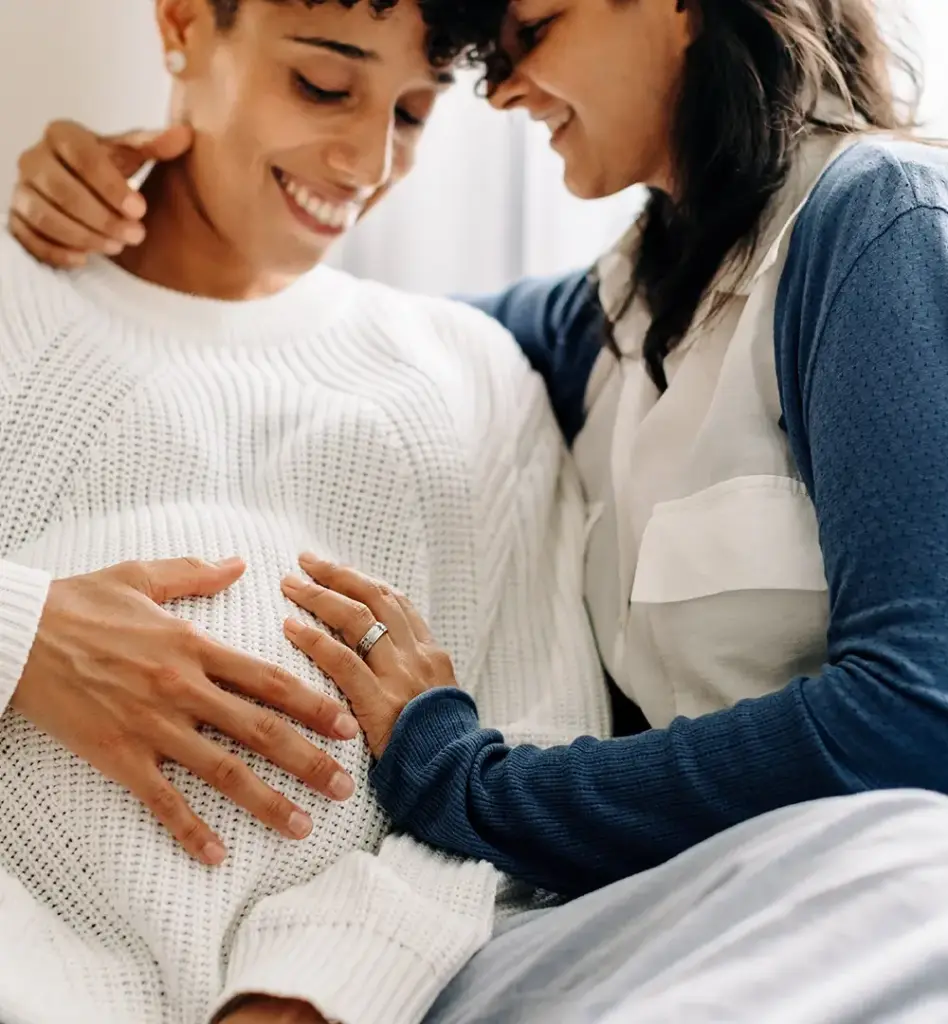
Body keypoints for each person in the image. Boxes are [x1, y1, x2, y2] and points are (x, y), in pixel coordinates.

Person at [11, 0, 948, 1021]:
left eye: (533, 32)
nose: (496, 92)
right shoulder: (604, 310)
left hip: (790, 882)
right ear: (184, 22)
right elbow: (307, 342)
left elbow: (914, 711)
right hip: (44, 959)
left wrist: (464, 790)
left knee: (919, 880)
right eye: (326, 85)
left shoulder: (870, 222)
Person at [0, 1, 611, 1023]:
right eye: (325, 86)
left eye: (412, 116)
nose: (367, 161)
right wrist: (25, 636)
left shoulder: (471, 378)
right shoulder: (18, 308)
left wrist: (316, 989)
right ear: (186, 24)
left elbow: (531, 747)